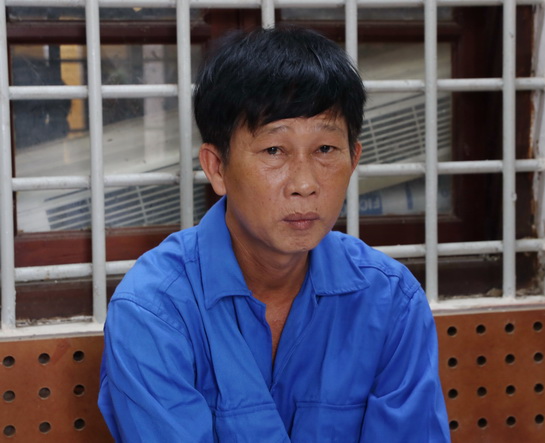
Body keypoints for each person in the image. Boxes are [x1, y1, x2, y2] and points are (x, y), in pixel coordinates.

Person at [98, 26, 450, 442]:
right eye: (273, 151)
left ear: (354, 159)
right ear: (217, 168)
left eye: (325, 149)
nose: (304, 184)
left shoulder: (390, 301)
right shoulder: (153, 310)